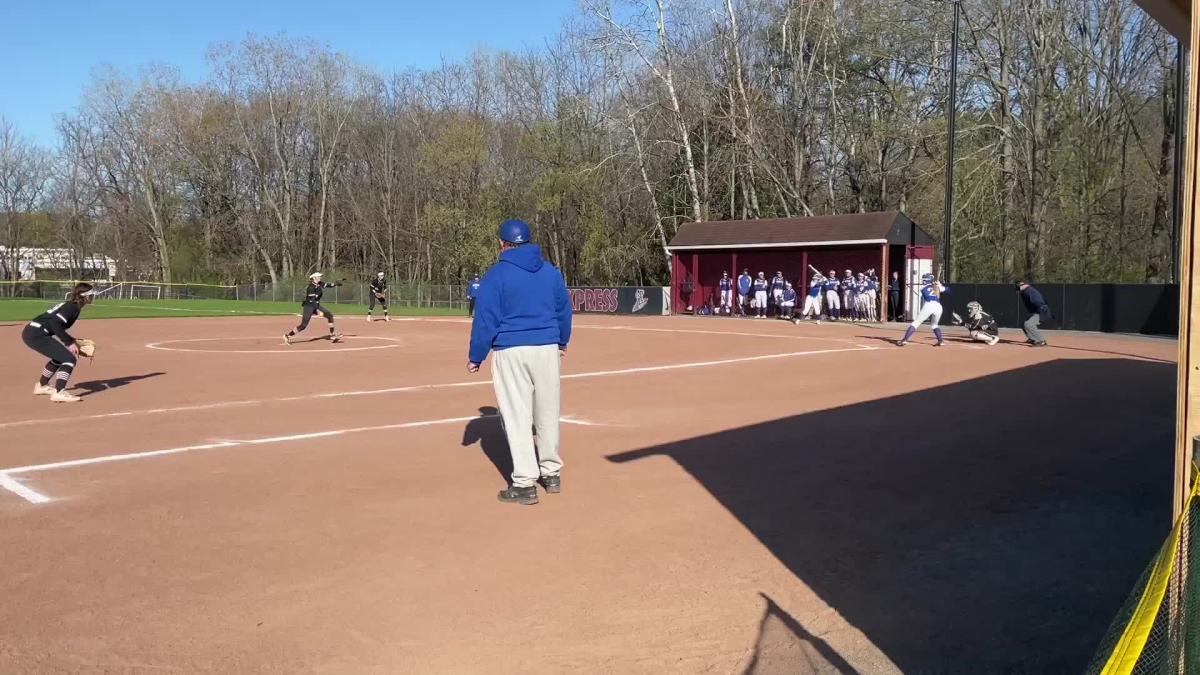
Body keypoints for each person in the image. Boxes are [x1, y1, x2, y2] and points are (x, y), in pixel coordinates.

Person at [468, 219, 572, 506]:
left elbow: (486, 318)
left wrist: (477, 355)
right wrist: (562, 340)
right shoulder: (551, 272)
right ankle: (552, 474)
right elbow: (564, 310)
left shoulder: (497, 275)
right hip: (547, 348)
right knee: (548, 411)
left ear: (503, 243)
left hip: (511, 350)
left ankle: (525, 483)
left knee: (517, 416)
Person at [22, 282, 96, 403]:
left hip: (34, 332)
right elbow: (55, 323)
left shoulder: (73, 305)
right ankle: (59, 392)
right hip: (36, 334)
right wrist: (69, 343)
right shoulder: (72, 307)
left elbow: (55, 324)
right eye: (92, 295)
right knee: (69, 359)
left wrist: (72, 340)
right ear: (85, 296)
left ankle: (41, 386)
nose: (93, 297)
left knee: (60, 357)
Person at [284, 272, 343, 345]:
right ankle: (288, 336)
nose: (320, 278)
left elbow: (327, 285)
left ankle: (332, 335)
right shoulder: (311, 287)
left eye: (320, 276)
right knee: (303, 326)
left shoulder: (319, 283)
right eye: (319, 276)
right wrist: (317, 310)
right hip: (309, 306)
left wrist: (335, 284)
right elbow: (312, 300)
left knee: (329, 316)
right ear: (314, 278)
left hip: (316, 305)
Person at [896, 273, 947, 347]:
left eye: (924, 279)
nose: (923, 281)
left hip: (929, 305)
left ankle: (904, 340)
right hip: (938, 306)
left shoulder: (923, 287)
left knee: (915, 323)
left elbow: (931, 288)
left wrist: (936, 284)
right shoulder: (936, 286)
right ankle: (941, 340)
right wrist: (938, 285)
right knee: (934, 325)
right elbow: (941, 289)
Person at [1017, 281, 1051, 346]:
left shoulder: (1029, 291)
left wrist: (1040, 310)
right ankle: (1032, 338)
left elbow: (1039, 302)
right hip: (1037, 311)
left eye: (1019, 286)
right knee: (1023, 323)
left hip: (1042, 311)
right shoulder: (1026, 291)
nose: (1018, 287)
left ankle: (1041, 341)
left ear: (1025, 285)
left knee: (1028, 324)